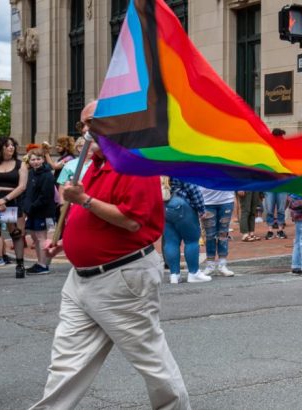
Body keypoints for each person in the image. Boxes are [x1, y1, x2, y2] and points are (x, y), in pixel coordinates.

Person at [32, 101, 189, 409]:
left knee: (153, 364)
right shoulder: (95, 165)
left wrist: (85, 200)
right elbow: (91, 215)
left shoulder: (134, 164)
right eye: (83, 125)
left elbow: (132, 220)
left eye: (93, 122)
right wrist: (67, 242)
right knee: (66, 365)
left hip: (121, 279)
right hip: (82, 280)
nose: (86, 131)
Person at [0, 136, 29, 279]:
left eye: (12, 145)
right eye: (7, 145)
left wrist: (5, 200)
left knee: (15, 233)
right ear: (0, 148)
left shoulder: (20, 165)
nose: (11, 147)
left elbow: (22, 186)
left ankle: (20, 265)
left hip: (13, 200)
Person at [162, 177, 211, 284]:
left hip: (164, 206)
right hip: (181, 204)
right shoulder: (180, 166)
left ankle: (174, 275)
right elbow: (193, 189)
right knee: (191, 240)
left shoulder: (156, 166)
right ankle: (193, 273)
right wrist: (201, 209)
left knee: (170, 242)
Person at [22, 147, 57, 274]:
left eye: (38, 159)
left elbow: (45, 196)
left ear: (43, 160)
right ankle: (39, 262)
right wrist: (26, 207)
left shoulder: (47, 175)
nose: (36, 162)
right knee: (35, 237)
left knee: (41, 237)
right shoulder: (31, 173)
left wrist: (31, 207)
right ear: (29, 161)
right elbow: (28, 192)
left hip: (42, 211)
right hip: (32, 210)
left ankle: (43, 265)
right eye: (33, 159)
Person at [196, 187, 237, 277]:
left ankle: (222, 264)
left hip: (226, 200)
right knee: (210, 235)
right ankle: (210, 265)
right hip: (207, 201)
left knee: (223, 234)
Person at [261, 129, 290, 241]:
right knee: (270, 208)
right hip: (271, 184)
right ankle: (270, 230)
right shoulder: (268, 151)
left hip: (281, 183)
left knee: (280, 208)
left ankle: (280, 229)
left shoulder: (284, 150)